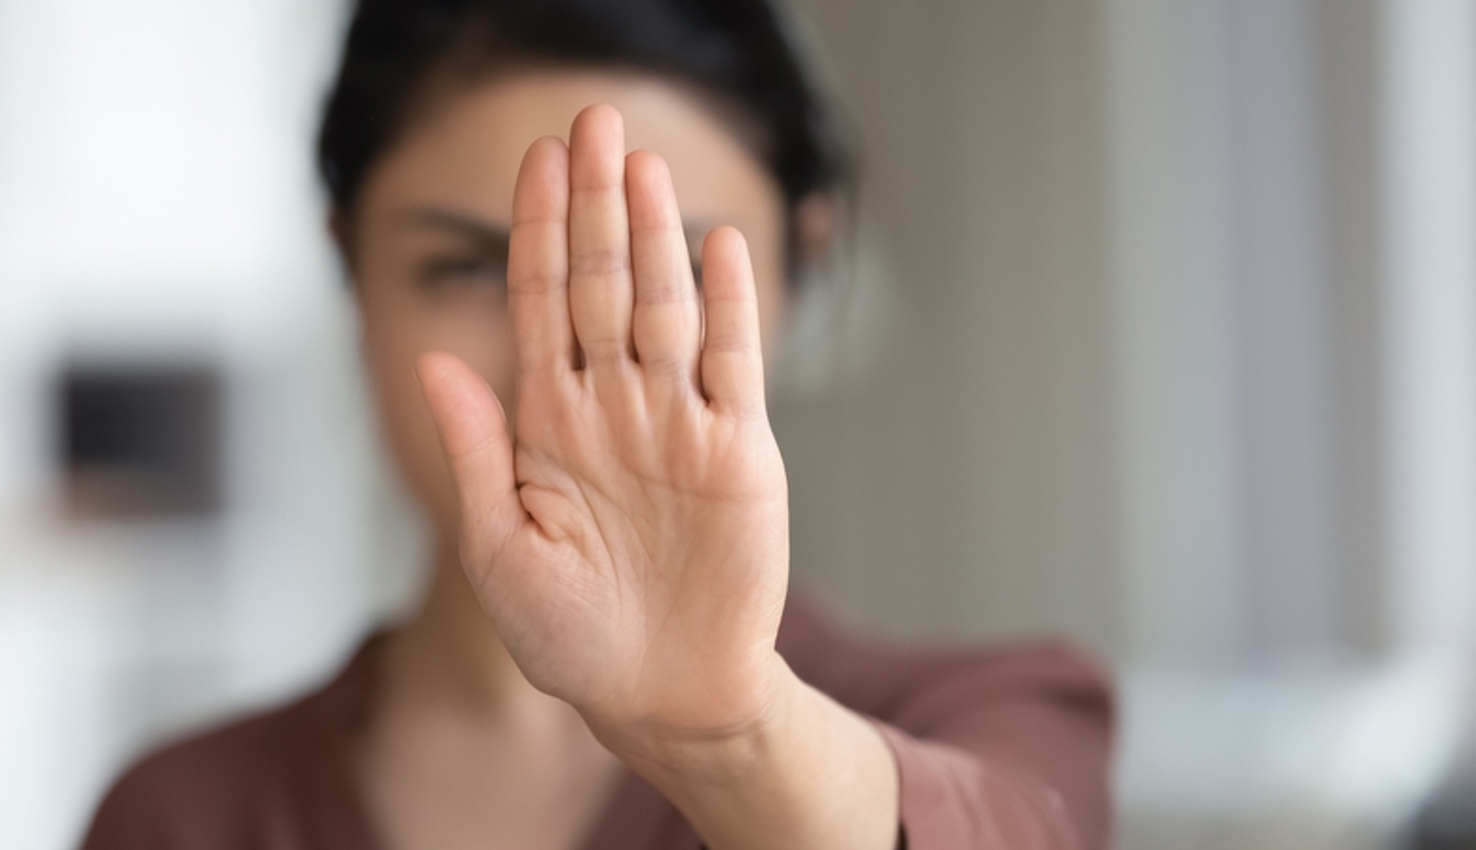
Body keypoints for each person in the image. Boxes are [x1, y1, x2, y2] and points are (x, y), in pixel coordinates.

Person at [79, 0, 1114, 847]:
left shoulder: (1005, 718)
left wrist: (727, 735)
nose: (562, 354)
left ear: (797, 271)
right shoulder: (181, 815)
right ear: (350, 274)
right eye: (469, 268)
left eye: (663, 265)